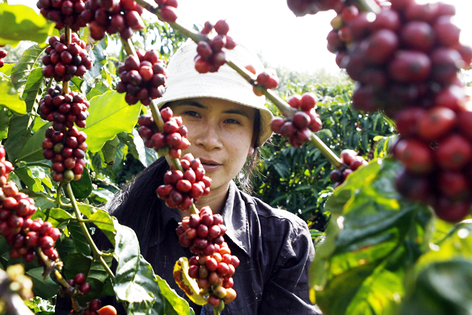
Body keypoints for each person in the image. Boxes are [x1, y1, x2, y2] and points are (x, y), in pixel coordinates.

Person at [105, 41, 321, 315]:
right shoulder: (109, 230)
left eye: (232, 121)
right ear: (162, 126)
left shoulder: (284, 241)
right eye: (193, 114)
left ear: (253, 140)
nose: (210, 140)